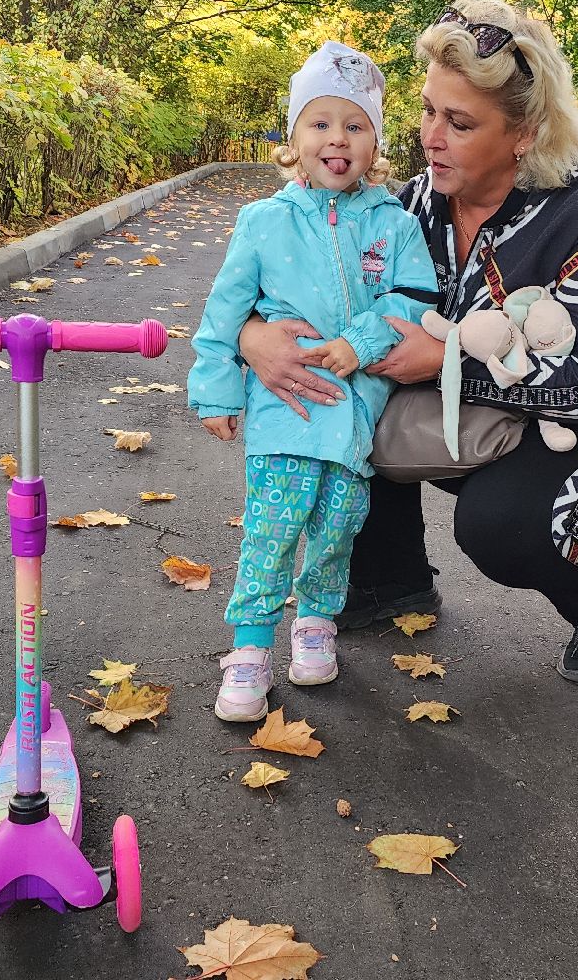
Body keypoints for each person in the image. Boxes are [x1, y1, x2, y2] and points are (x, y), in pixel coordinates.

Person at [239, 0, 578, 685]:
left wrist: (446, 362)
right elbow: (293, 279)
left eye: (459, 122)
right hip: (483, 415)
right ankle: (392, 581)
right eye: (426, 111)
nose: (431, 137)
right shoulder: (410, 206)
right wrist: (254, 337)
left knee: (501, 525)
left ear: (524, 134)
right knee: (344, 402)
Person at [188, 41, 439, 722]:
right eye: (320, 123)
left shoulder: (395, 223)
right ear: (294, 138)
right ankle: (247, 649)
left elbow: (415, 301)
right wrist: (215, 387)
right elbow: (225, 311)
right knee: (272, 528)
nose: (337, 138)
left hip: (356, 414)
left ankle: (316, 624)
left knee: (337, 529)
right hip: (284, 411)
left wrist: (362, 341)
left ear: (376, 145)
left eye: (355, 126)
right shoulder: (263, 222)